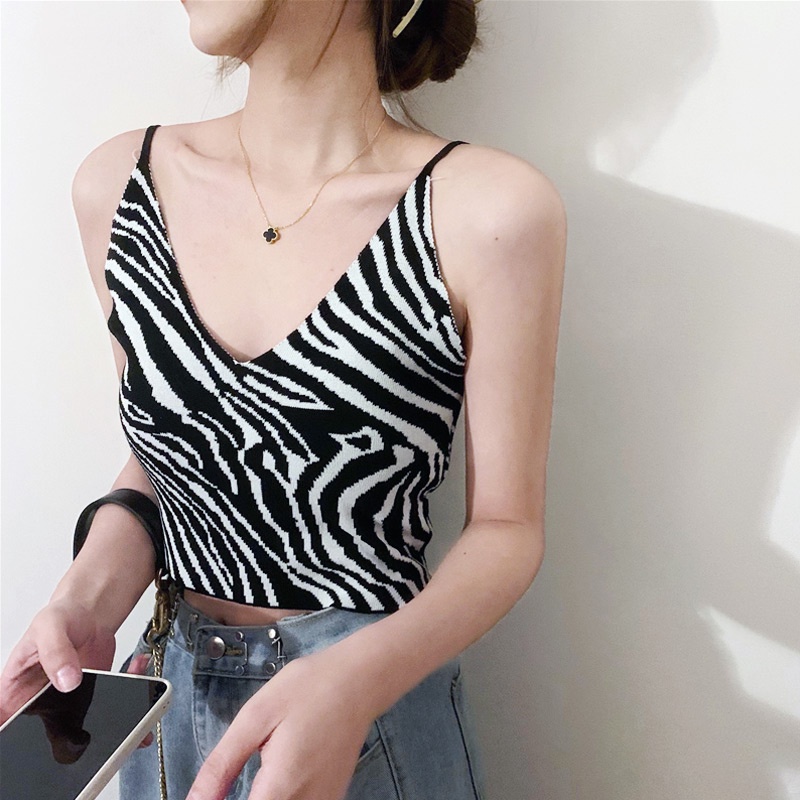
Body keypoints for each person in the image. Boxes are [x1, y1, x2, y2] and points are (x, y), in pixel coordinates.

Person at [0, 1, 567, 798]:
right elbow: (174, 457)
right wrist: (86, 598)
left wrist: (356, 682)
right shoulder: (119, 186)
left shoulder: (487, 209)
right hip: (169, 716)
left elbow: (507, 528)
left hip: (370, 711)